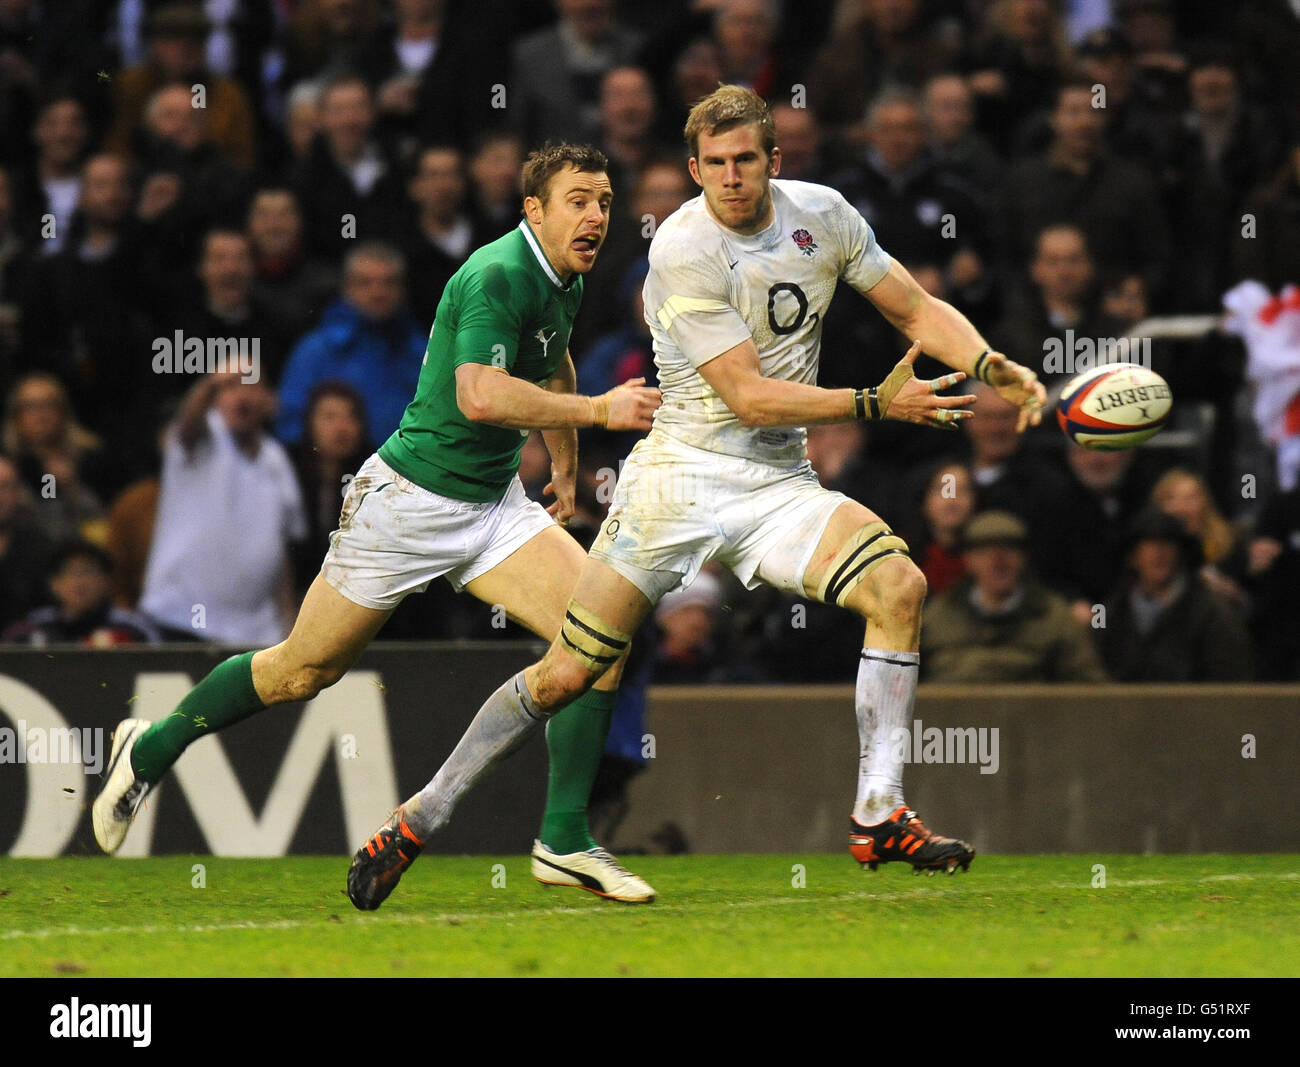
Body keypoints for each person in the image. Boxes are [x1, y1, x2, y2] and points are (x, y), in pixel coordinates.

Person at [348, 86, 1047, 909]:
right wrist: (871, 402)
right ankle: (421, 815)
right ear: (693, 169)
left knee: (900, 586)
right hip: (675, 479)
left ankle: (878, 812)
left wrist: (989, 362)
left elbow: (917, 307)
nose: (732, 177)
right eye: (714, 164)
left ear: (773, 160)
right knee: (572, 669)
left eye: (746, 159)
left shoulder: (822, 214)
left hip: (777, 480)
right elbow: (747, 396)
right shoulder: (680, 248)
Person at [93, 144, 662, 908]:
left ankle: (563, 837)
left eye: (602, 201)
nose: (595, 215)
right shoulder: (497, 274)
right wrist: (598, 410)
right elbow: (481, 397)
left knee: (601, 639)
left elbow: (550, 358)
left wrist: (564, 460)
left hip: (493, 506)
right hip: (406, 504)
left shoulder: (564, 276)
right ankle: (152, 746)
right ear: (534, 210)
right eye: (578, 201)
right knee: (303, 671)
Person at [919, 511, 1108, 683]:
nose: (997, 563)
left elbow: (1089, 687)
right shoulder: (937, 617)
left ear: (1023, 559)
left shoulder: (1055, 619)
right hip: (952, 720)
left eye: (1008, 552)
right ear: (968, 561)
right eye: (985, 553)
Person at [3, 539, 160, 646]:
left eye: (89, 572)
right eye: (71, 573)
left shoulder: (132, 628)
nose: (80, 582)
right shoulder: (33, 626)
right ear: (53, 584)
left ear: (107, 581)